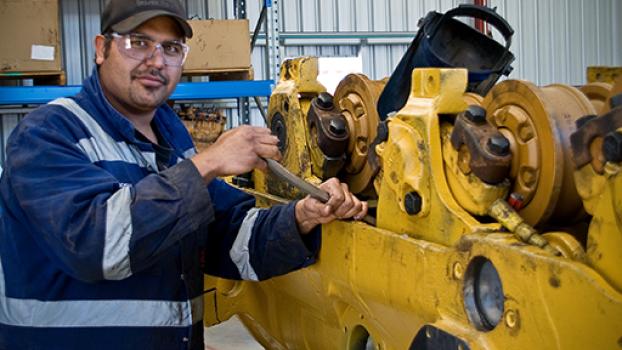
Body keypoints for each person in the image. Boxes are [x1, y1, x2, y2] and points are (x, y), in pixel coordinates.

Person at [0, 1, 367, 349]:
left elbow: (229, 238)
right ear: (101, 48)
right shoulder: (47, 134)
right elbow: (98, 246)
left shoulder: (171, 138)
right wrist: (208, 163)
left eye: (172, 48)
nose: (156, 61)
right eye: (139, 43)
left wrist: (301, 217)